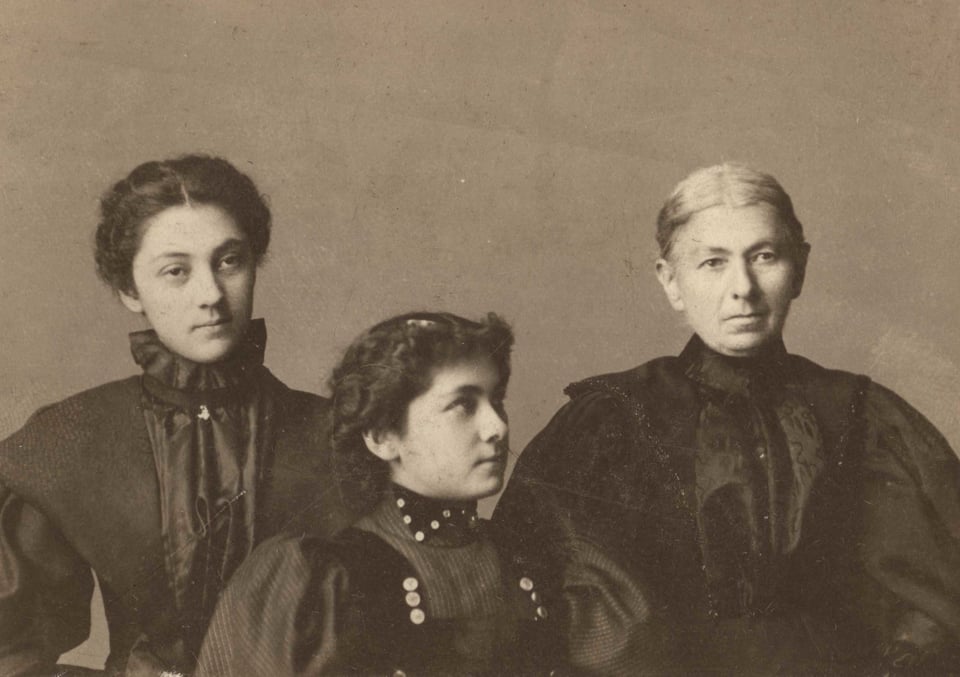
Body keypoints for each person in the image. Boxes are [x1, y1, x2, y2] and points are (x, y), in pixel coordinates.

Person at [494, 163, 960, 674]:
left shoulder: (859, 413)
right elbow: (539, 600)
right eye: (713, 262)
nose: (743, 287)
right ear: (671, 282)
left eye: (764, 256)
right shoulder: (614, 417)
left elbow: (935, 599)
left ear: (800, 269)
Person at [0, 154, 355, 675]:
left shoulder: (338, 436)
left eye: (229, 261)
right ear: (129, 290)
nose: (210, 295)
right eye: (176, 271)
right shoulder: (73, 438)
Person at [195, 311, 646, 676]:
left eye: (497, 401)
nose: (496, 426)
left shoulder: (540, 563)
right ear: (382, 436)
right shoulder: (322, 584)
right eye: (462, 405)